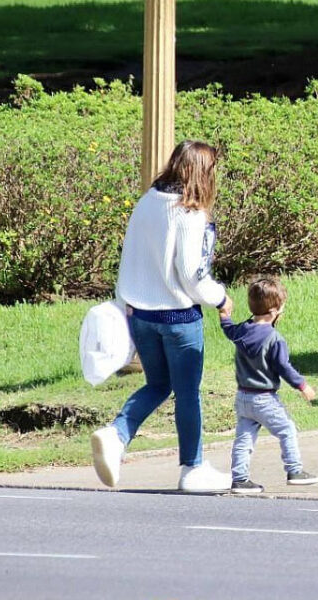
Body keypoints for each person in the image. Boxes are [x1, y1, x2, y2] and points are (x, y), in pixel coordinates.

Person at [91, 140, 234, 492]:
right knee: (187, 393)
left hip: (140, 313)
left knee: (158, 383)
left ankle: (116, 433)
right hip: (179, 318)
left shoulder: (147, 201)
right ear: (203, 173)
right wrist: (220, 299)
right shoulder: (190, 213)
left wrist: (125, 301)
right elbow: (192, 273)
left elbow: (131, 258)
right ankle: (193, 468)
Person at [220, 278, 318, 493]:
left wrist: (224, 313)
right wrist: (302, 385)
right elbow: (283, 367)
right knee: (287, 429)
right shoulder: (274, 339)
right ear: (274, 310)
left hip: (243, 398)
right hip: (264, 397)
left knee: (244, 439)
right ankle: (295, 471)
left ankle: (239, 479)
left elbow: (228, 329)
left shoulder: (242, 331)